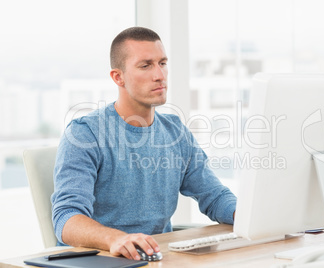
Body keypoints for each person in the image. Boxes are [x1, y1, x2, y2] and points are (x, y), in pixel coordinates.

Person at [51, 26, 237, 261]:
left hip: (152, 258)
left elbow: (214, 196)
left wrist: (247, 214)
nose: (159, 75)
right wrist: (115, 238)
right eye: (145, 65)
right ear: (118, 77)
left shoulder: (175, 132)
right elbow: (66, 218)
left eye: (162, 63)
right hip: (97, 260)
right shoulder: (85, 134)